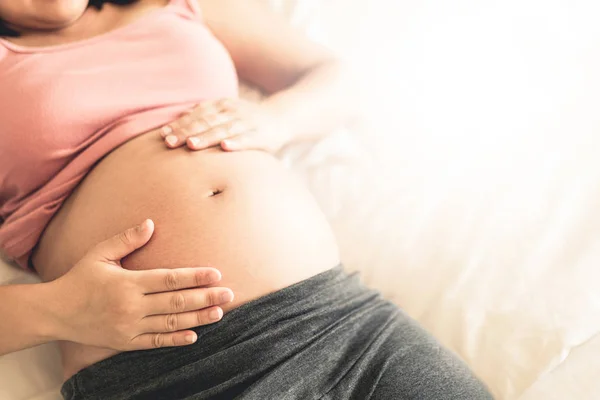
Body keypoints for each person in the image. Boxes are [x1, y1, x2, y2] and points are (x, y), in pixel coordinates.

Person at [0, 0, 493, 398]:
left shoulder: (177, 4)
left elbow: (331, 75)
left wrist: (279, 119)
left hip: (345, 325)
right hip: (170, 372)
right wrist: (59, 308)